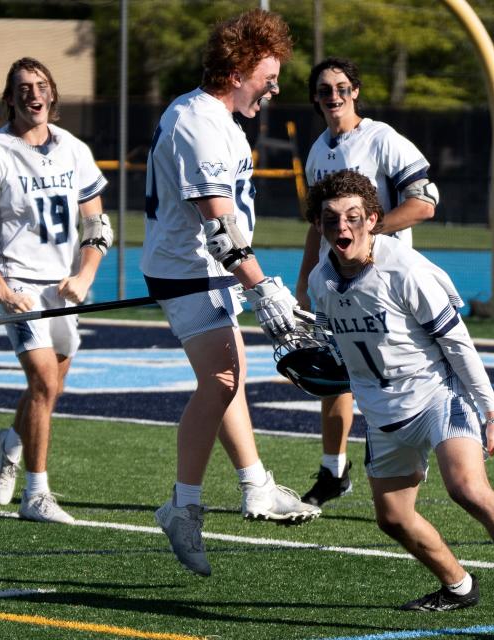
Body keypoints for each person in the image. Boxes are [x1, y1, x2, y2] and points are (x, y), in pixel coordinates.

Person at [305, 170, 494, 633]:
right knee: (393, 519)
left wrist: (493, 415)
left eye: (353, 217)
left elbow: (459, 346)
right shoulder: (321, 280)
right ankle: (458, 586)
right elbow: (339, 348)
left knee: (467, 489)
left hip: (437, 395)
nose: (342, 228)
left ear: (373, 219)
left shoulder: (406, 270)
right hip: (383, 412)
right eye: (331, 220)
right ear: (319, 225)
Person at [141, 9, 320, 577]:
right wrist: (263, 285)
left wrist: (252, 280)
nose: (275, 85)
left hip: (208, 268)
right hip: (189, 268)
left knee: (232, 374)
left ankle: (255, 485)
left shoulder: (220, 120)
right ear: (240, 68)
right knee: (220, 379)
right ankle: (183, 506)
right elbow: (218, 225)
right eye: (269, 74)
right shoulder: (196, 122)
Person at [0, 57, 113, 524]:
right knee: (43, 383)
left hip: (62, 288)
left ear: (52, 94)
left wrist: (85, 275)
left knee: (51, 388)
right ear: (10, 99)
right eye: (22, 88)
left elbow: (96, 223)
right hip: (21, 286)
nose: (32, 94)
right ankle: (36, 493)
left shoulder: (74, 149)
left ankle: (12, 442)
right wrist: (2, 290)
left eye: (40, 85)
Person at [294, 57, 439, 507]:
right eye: (323, 90)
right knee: (335, 373)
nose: (333, 96)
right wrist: (304, 279)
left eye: (341, 87)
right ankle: (333, 470)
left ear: (355, 91)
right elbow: (317, 225)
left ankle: (423, 454)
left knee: (391, 374)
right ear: (315, 98)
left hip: (383, 281)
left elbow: (424, 204)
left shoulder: (382, 138)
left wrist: (367, 233)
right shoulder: (319, 149)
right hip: (335, 280)